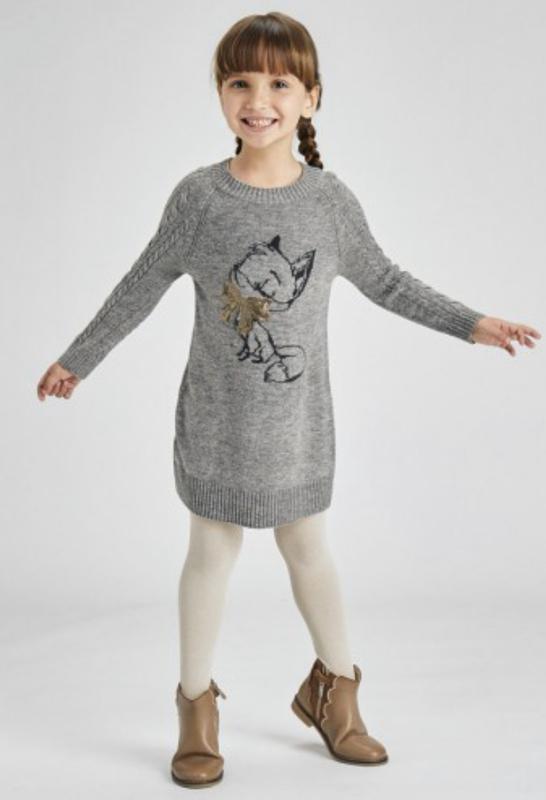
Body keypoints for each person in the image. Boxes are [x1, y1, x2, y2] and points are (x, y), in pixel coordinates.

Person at [36, 11, 541, 790]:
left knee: (309, 552)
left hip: (300, 428)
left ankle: (336, 695)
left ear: (311, 98)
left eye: (279, 83)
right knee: (211, 553)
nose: (258, 99)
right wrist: (80, 358)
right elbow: (140, 284)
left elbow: (387, 281)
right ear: (220, 93)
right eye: (240, 82)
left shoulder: (328, 203)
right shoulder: (199, 200)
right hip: (217, 423)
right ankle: (196, 710)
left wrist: (471, 323)